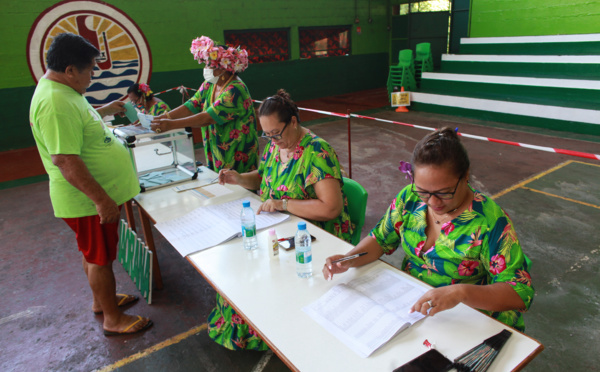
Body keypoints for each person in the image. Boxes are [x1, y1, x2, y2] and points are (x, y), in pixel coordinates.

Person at [323, 127, 534, 332]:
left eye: (444, 192)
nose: (432, 202)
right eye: (423, 191)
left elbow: (519, 292)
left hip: (468, 319)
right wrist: (350, 259)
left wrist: (460, 292)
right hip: (413, 307)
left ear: (466, 175)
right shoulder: (410, 197)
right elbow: (380, 239)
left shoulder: (488, 221)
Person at [209, 89, 354, 350]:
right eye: (267, 135)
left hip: (316, 234)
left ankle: (281, 330)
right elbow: (263, 177)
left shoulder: (317, 153)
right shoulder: (278, 147)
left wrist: (284, 204)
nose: (272, 140)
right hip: (281, 225)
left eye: (277, 133)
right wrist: (240, 178)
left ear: (294, 122)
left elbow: (331, 208)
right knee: (240, 269)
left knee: (262, 278)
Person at [29, 33, 152, 336]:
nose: (93, 75)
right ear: (70, 70)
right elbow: (65, 160)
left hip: (88, 199)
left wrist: (105, 110)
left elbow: (79, 125)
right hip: (86, 201)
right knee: (99, 258)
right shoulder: (55, 102)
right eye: (90, 69)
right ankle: (113, 318)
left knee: (92, 253)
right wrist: (102, 200)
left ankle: (103, 301)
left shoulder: (62, 91)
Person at [150, 35, 258, 174]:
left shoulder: (235, 89)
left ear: (223, 67)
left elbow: (207, 117)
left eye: (209, 65)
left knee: (239, 189)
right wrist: (164, 117)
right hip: (217, 150)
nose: (206, 68)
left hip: (237, 152)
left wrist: (171, 124)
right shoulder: (210, 84)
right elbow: (191, 105)